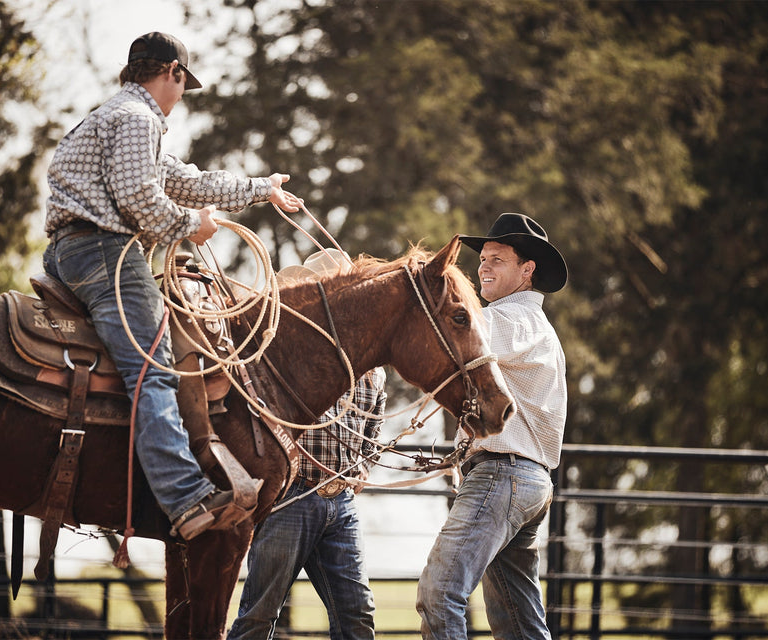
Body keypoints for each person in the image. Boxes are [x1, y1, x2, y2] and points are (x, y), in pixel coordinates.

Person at [41, 32, 302, 541]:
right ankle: (184, 497)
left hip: (70, 251)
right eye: (183, 84)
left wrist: (259, 189)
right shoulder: (138, 120)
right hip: (103, 252)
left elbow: (188, 182)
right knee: (153, 366)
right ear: (172, 73)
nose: (182, 96)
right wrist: (189, 227)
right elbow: (140, 196)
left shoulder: (116, 117)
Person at [416, 213, 568, 639]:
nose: (483, 266)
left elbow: (454, 335)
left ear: (527, 270)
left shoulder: (511, 319)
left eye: (497, 259)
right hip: (524, 479)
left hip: (503, 476)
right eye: (483, 258)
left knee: (439, 592)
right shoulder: (532, 325)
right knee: (518, 621)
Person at [227, 249, 387, 640]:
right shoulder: (292, 359)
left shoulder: (374, 371)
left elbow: (374, 425)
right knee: (260, 612)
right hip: (292, 496)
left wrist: (364, 465)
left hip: (341, 501)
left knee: (357, 613)